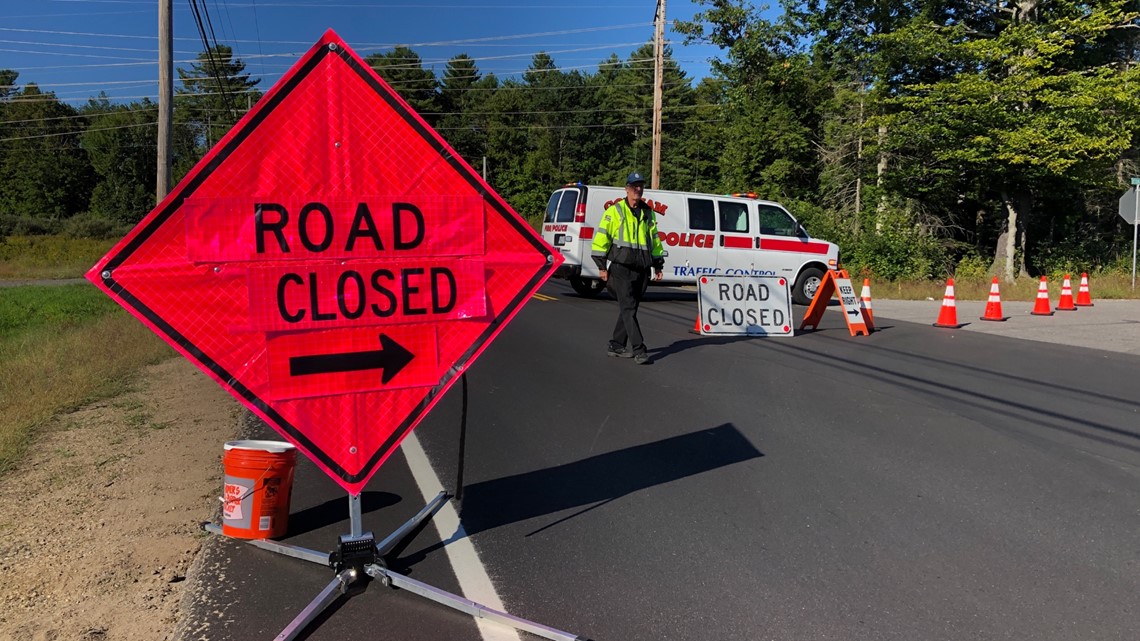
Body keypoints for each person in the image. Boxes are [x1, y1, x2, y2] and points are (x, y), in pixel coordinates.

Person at [590, 172, 665, 364]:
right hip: (621, 267)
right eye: (634, 186)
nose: (638, 189)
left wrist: (658, 264)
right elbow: (602, 238)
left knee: (630, 308)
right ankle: (639, 349)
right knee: (628, 308)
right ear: (626, 189)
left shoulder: (648, 213)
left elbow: (654, 240)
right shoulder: (615, 211)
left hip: (641, 268)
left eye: (640, 186)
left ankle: (616, 344)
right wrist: (601, 265)